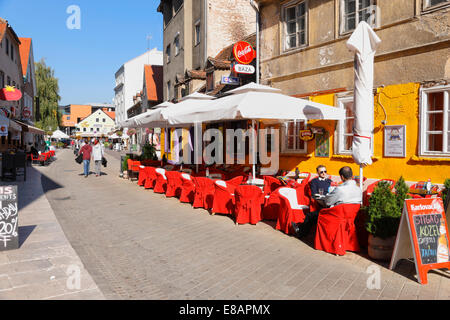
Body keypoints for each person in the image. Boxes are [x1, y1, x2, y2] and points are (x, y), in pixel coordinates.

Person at [292, 166, 362, 238]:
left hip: (337, 216)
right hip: (350, 216)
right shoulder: (359, 190)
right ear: (352, 175)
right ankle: (309, 230)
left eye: (325, 171)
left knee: (311, 215)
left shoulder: (340, 189)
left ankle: (301, 232)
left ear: (342, 177)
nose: (323, 173)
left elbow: (328, 202)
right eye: (321, 172)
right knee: (316, 214)